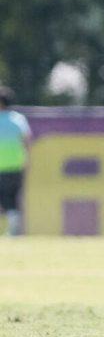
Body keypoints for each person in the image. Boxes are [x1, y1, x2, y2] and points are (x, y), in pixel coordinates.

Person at [0, 87, 31, 236]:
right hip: (17, 165)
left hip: (2, 166)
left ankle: (12, 229)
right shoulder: (18, 119)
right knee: (13, 198)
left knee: (5, 199)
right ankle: (14, 230)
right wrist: (27, 159)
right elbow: (26, 141)